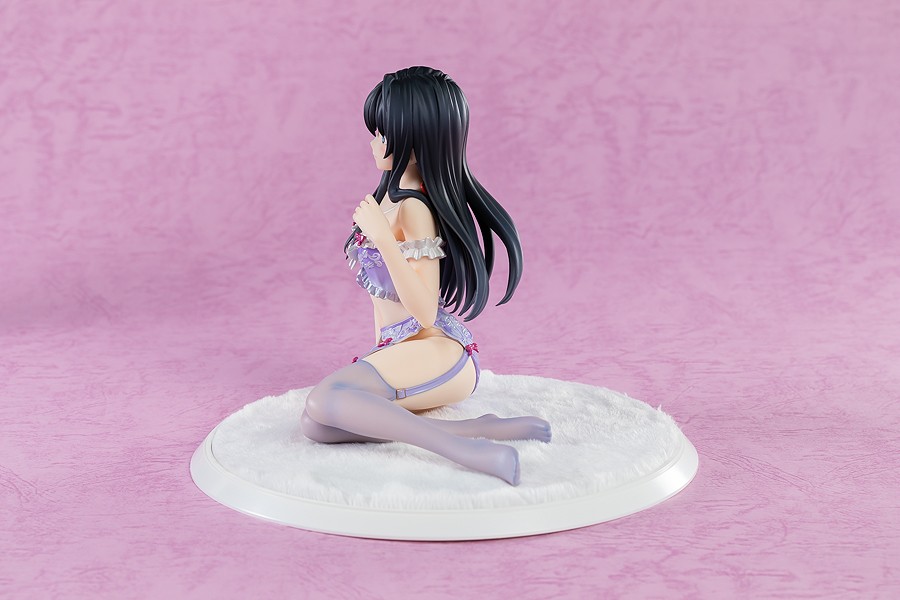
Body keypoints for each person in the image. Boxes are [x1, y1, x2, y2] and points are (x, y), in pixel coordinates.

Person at [300, 66, 551, 486]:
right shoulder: (387, 199)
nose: (373, 142)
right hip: (402, 349)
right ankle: (478, 428)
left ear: (415, 139)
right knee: (317, 426)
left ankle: (467, 452)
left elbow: (424, 312)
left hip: (439, 353)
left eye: (382, 133)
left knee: (324, 399)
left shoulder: (414, 208)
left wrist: (383, 239)